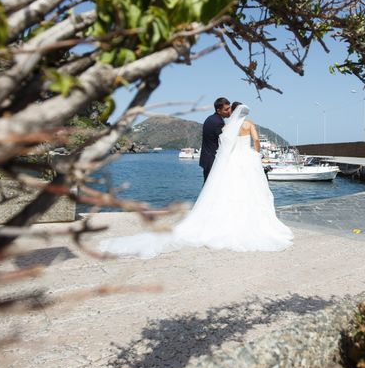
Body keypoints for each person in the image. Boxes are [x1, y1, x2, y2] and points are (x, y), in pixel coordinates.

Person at [99, 103, 293, 258]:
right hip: (247, 158)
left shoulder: (229, 126)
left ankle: (225, 218)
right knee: (251, 189)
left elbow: (225, 144)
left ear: (232, 112)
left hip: (233, 159)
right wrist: (255, 154)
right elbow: (256, 141)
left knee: (230, 188)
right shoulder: (249, 124)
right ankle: (249, 219)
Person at [199, 97, 231, 182]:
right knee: (210, 188)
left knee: (208, 188)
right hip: (212, 161)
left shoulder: (211, 118)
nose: (229, 111)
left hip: (207, 159)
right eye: (226, 109)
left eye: (229, 108)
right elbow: (224, 141)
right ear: (218, 110)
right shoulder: (218, 122)